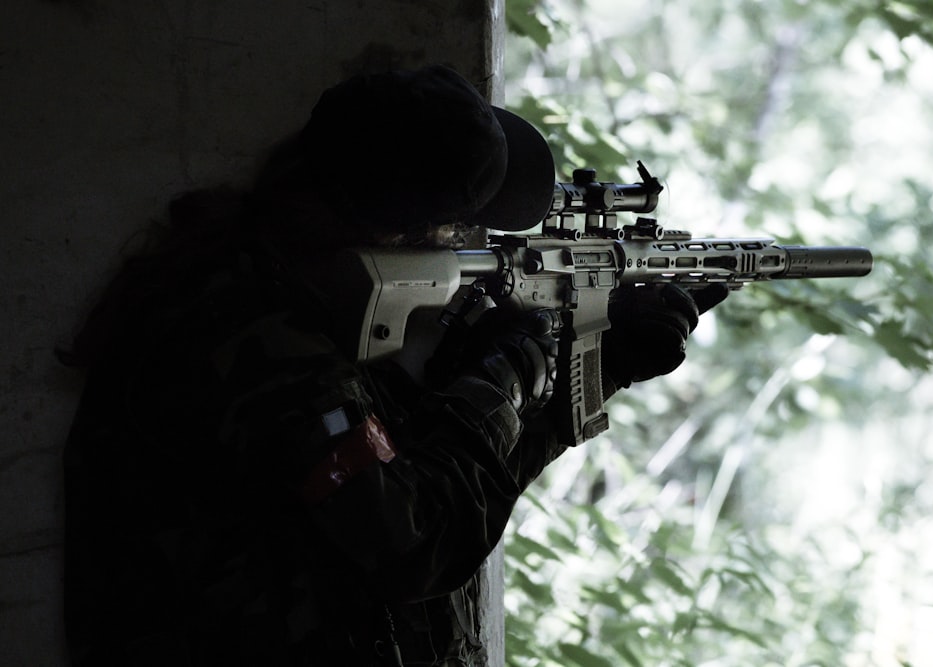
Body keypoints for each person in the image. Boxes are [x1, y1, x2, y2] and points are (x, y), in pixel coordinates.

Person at [61, 65, 727, 666]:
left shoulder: (297, 310)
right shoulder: (253, 333)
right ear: (401, 238)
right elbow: (413, 542)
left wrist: (590, 370)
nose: (477, 252)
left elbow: (448, 477)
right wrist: (509, 374)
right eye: (465, 235)